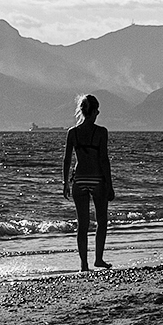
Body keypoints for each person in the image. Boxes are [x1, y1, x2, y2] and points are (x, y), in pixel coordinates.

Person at [62, 94, 115, 271]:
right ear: (91, 112)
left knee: (82, 224)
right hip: (97, 179)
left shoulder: (73, 132)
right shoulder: (101, 132)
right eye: (97, 110)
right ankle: (98, 259)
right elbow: (104, 160)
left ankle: (83, 264)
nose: (98, 113)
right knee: (101, 221)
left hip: (79, 180)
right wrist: (110, 184)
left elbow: (67, 160)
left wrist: (65, 183)